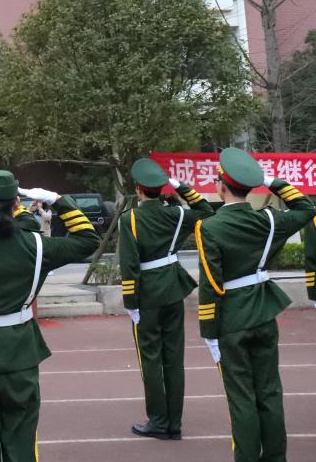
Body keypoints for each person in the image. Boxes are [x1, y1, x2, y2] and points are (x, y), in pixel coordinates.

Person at [0, 172, 100, 462]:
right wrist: (58, 200)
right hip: (21, 356)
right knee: (22, 445)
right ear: (16, 203)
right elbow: (88, 239)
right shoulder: (37, 246)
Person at [195, 148, 315, 462]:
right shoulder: (270, 220)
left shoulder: (209, 227)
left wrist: (209, 331)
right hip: (264, 311)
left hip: (232, 318)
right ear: (249, 187)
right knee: (270, 392)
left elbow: (211, 284)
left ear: (221, 186)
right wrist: (271, 181)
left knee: (241, 396)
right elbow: (305, 208)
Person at [119, 158, 214, 440]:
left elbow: (129, 265)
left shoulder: (130, 219)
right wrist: (180, 186)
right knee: (174, 357)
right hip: (173, 288)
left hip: (147, 294)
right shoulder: (177, 214)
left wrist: (130, 302)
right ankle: (174, 422)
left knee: (151, 359)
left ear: (138, 189)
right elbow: (206, 210)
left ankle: (159, 422)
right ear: (161, 189)